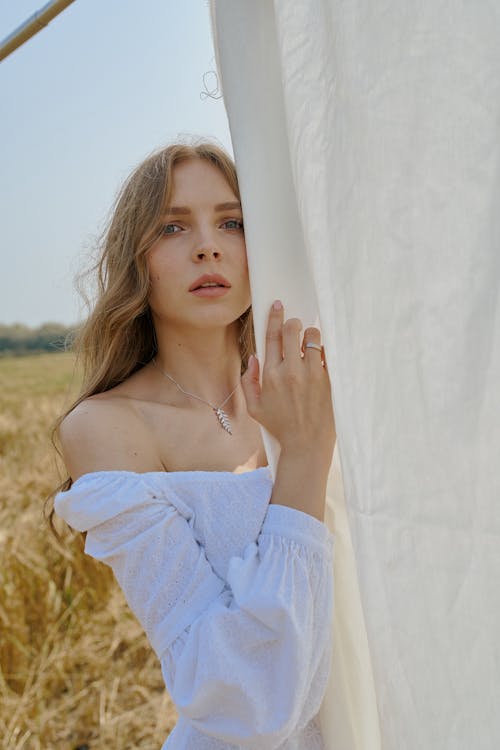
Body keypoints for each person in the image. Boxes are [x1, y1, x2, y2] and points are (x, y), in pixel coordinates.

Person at [52, 140, 337, 749]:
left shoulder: (310, 389)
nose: (208, 245)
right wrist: (306, 458)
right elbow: (243, 699)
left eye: (231, 222)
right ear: (137, 261)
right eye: (173, 226)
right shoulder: (110, 429)